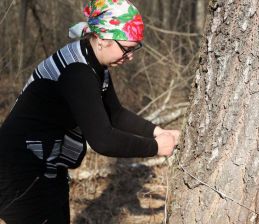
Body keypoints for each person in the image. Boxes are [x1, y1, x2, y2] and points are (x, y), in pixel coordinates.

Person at [0, 0, 180, 223]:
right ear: (103, 39)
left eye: (135, 48)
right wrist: (155, 147)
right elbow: (103, 140)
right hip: (20, 168)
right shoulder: (78, 72)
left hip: (47, 162)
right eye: (127, 49)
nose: (130, 56)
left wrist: (157, 131)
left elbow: (115, 114)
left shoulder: (93, 63)